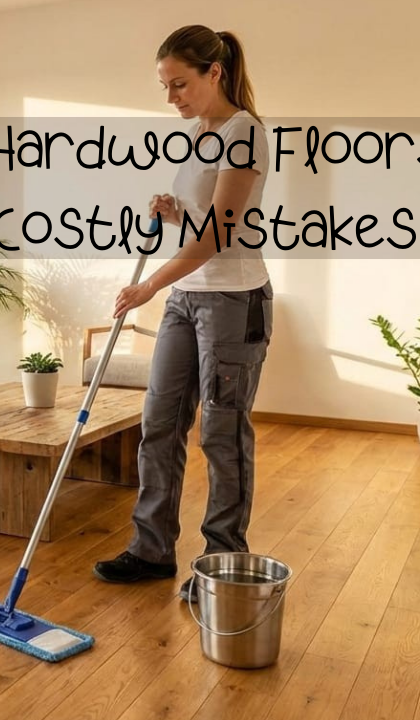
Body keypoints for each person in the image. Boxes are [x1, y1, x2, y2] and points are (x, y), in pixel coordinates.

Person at [92, 25, 273, 603]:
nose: (172, 98)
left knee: (222, 434)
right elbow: (202, 220)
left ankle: (222, 566)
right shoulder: (199, 133)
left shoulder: (245, 131)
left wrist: (148, 285)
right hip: (186, 297)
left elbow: (221, 234)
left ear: (213, 73)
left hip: (232, 298)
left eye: (179, 84)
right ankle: (150, 551)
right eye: (165, 87)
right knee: (160, 423)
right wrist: (174, 212)